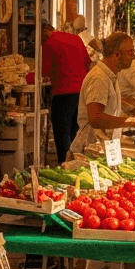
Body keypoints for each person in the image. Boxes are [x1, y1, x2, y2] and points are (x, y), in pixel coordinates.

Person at [69, 33, 135, 155]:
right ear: (116, 55)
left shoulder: (111, 76)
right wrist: (133, 121)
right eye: (130, 52)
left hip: (104, 148)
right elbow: (95, 119)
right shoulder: (99, 78)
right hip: (91, 150)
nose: (133, 57)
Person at [41, 22, 91, 164]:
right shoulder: (75, 38)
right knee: (75, 130)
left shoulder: (49, 44)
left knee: (62, 131)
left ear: (45, 31)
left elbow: (45, 71)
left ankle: (66, 164)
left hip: (63, 92)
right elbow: (88, 61)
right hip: (82, 91)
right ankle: (78, 162)